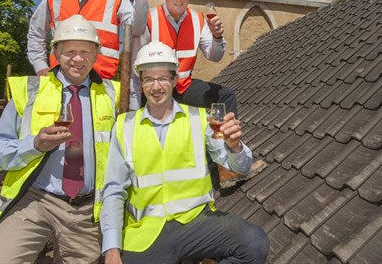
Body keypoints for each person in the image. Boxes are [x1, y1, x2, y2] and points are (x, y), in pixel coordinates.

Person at [100, 42, 269, 264]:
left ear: (174, 80)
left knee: (254, 243)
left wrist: (235, 146)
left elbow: (241, 167)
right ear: (141, 83)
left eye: (162, 78)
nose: (156, 86)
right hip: (147, 233)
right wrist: (111, 249)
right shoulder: (124, 126)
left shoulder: (201, 119)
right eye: (149, 79)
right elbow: (113, 191)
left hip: (197, 222)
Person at [0, 15, 120, 264]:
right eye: (70, 51)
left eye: (85, 51)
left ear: (96, 54)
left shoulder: (115, 95)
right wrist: (34, 145)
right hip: (35, 201)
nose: (78, 58)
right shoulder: (29, 91)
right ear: (56, 52)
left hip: (87, 210)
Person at [132, 0, 237, 116]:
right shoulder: (149, 18)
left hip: (183, 87)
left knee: (226, 96)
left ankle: (224, 139)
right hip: (156, 88)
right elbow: (136, 64)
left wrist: (217, 37)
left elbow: (215, 57)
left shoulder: (199, 19)